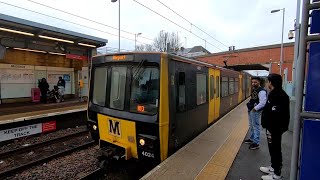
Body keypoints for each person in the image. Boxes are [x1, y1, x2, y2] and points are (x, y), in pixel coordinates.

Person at [260, 74, 290, 180]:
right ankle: (273, 167)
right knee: (272, 149)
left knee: (276, 150)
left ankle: (277, 174)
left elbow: (276, 114)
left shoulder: (280, 95)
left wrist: (269, 127)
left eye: (268, 81)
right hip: (271, 129)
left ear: (271, 82)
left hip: (275, 129)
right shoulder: (274, 94)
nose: (267, 83)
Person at [244, 77, 267, 150]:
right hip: (251, 110)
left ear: (259, 82)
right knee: (251, 125)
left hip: (255, 111)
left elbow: (263, 103)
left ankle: (256, 143)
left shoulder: (262, 91)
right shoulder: (255, 89)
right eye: (253, 82)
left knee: (256, 126)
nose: (253, 83)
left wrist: (254, 109)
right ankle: (252, 138)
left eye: (255, 82)